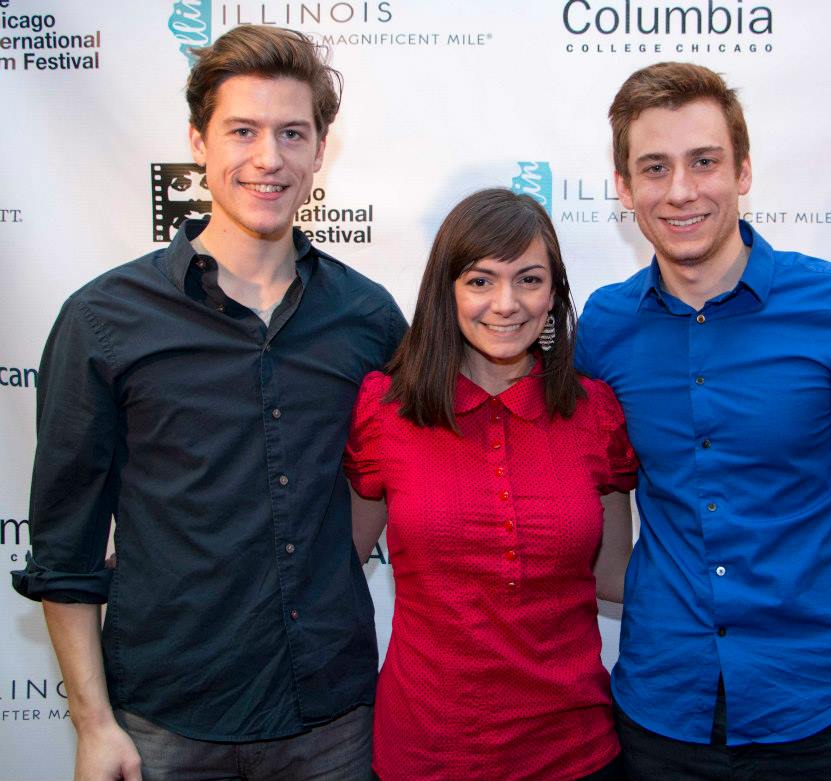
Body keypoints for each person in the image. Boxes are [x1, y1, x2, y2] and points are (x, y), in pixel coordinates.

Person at [11, 25, 405, 781]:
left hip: (332, 719)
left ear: (320, 150)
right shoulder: (103, 319)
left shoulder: (369, 317)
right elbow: (65, 547)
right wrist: (93, 725)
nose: (269, 157)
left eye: (292, 133)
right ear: (198, 141)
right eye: (243, 131)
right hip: (167, 722)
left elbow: (398, 470)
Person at [575, 62, 831, 781]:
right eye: (654, 167)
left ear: (742, 170)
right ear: (624, 188)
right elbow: (590, 495)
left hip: (822, 717)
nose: (681, 190)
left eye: (703, 161)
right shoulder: (604, 328)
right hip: (660, 717)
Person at [345, 188, 637, 781]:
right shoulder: (387, 409)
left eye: (529, 280)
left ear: (553, 294)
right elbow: (340, 563)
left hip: (576, 752)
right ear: (445, 292)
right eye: (480, 281)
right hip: (425, 754)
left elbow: (616, 580)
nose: (506, 304)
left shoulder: (595, 413)